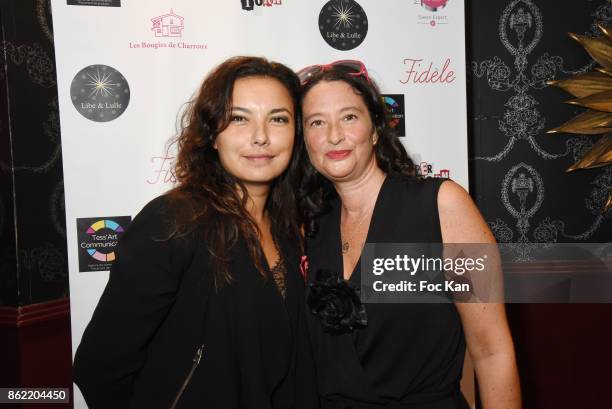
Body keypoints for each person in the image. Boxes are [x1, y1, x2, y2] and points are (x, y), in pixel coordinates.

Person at [73, 56, 318, 409]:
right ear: (212, 135)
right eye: (238, 118)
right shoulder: (173, 221)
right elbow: (100, 366)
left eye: (278, 119)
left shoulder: (291, 224)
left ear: (296, 133)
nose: (260, 136)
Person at [297, 60, 521, 409]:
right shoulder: (307, 226)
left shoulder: (443, 205)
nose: (333, 135)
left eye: (349, 117)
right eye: (316, 122)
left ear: (375, 128)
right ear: (305, 140)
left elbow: (492, 351)